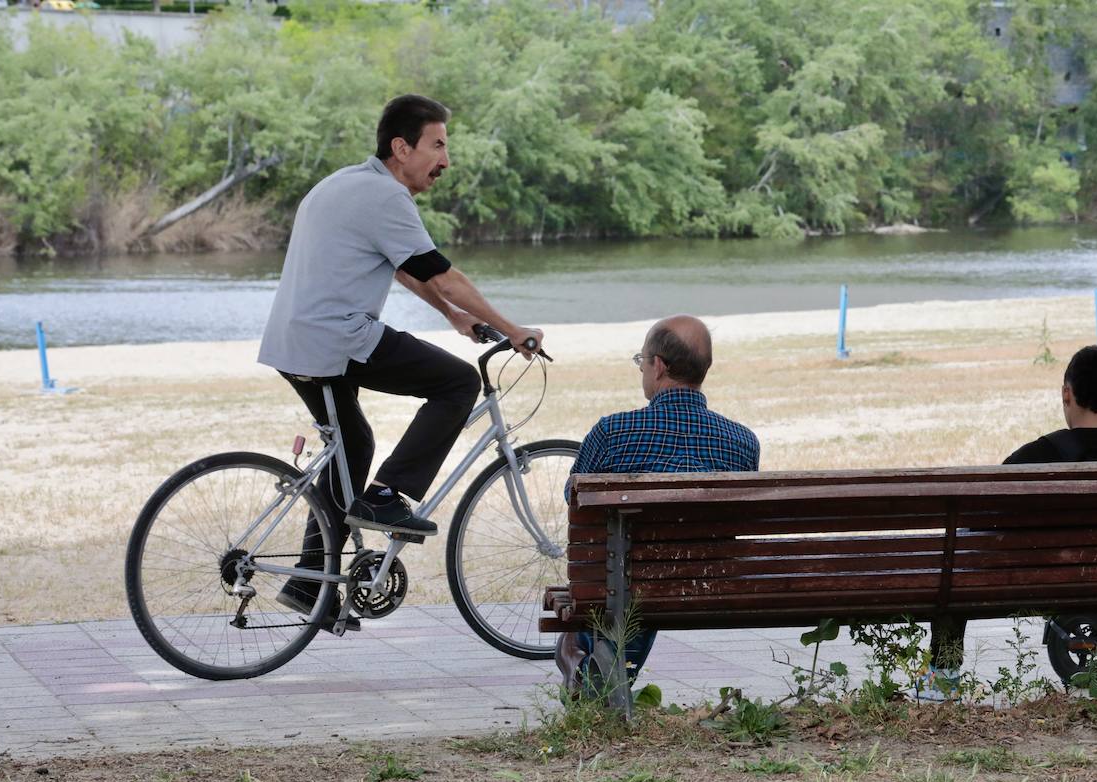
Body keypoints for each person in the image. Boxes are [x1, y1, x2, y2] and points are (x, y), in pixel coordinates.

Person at [257, 94, 543, 625]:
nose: (446, 161)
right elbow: (442, 273)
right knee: (457, 383)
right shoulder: (387, 198)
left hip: (292, 342)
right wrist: (512, 328)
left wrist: (455, 317)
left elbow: (404, 268)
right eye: (437, 145)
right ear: (401, 147)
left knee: (353, 444)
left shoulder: (345, 183)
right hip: (336, 340)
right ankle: (387, 495)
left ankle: (308, 583)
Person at [926, 345, 1097, 698]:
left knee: (959, 553)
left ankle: (942, 678)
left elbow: (982, 526)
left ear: (1066, 394)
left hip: (1042, 584)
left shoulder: (1030, 460)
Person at [555, 315, 760, 696]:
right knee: (647, 579)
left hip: (628, 584)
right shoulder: (743, 442)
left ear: (660, 366)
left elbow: (574, 501)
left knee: (624, 577)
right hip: (709, 584)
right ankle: (599, 679)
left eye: (642, 361)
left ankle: (582, 666)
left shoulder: (612, 433)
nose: (643, 370)